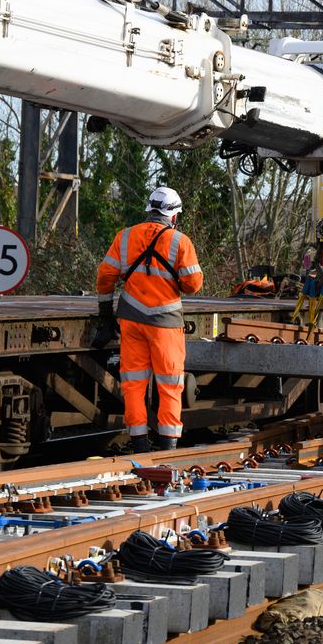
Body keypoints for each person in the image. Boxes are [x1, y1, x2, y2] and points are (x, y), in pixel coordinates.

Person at [95, 187, 203, 453]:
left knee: (133, 383)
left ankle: (139, 444)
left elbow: (105, 276)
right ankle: (167, 448)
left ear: (149, 210)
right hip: (165, 323)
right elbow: (193, 285)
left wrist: (105, 315)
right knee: (169, 385)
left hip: (131, 320)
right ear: (174, 216)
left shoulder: (125, 236)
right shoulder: (180, 242)